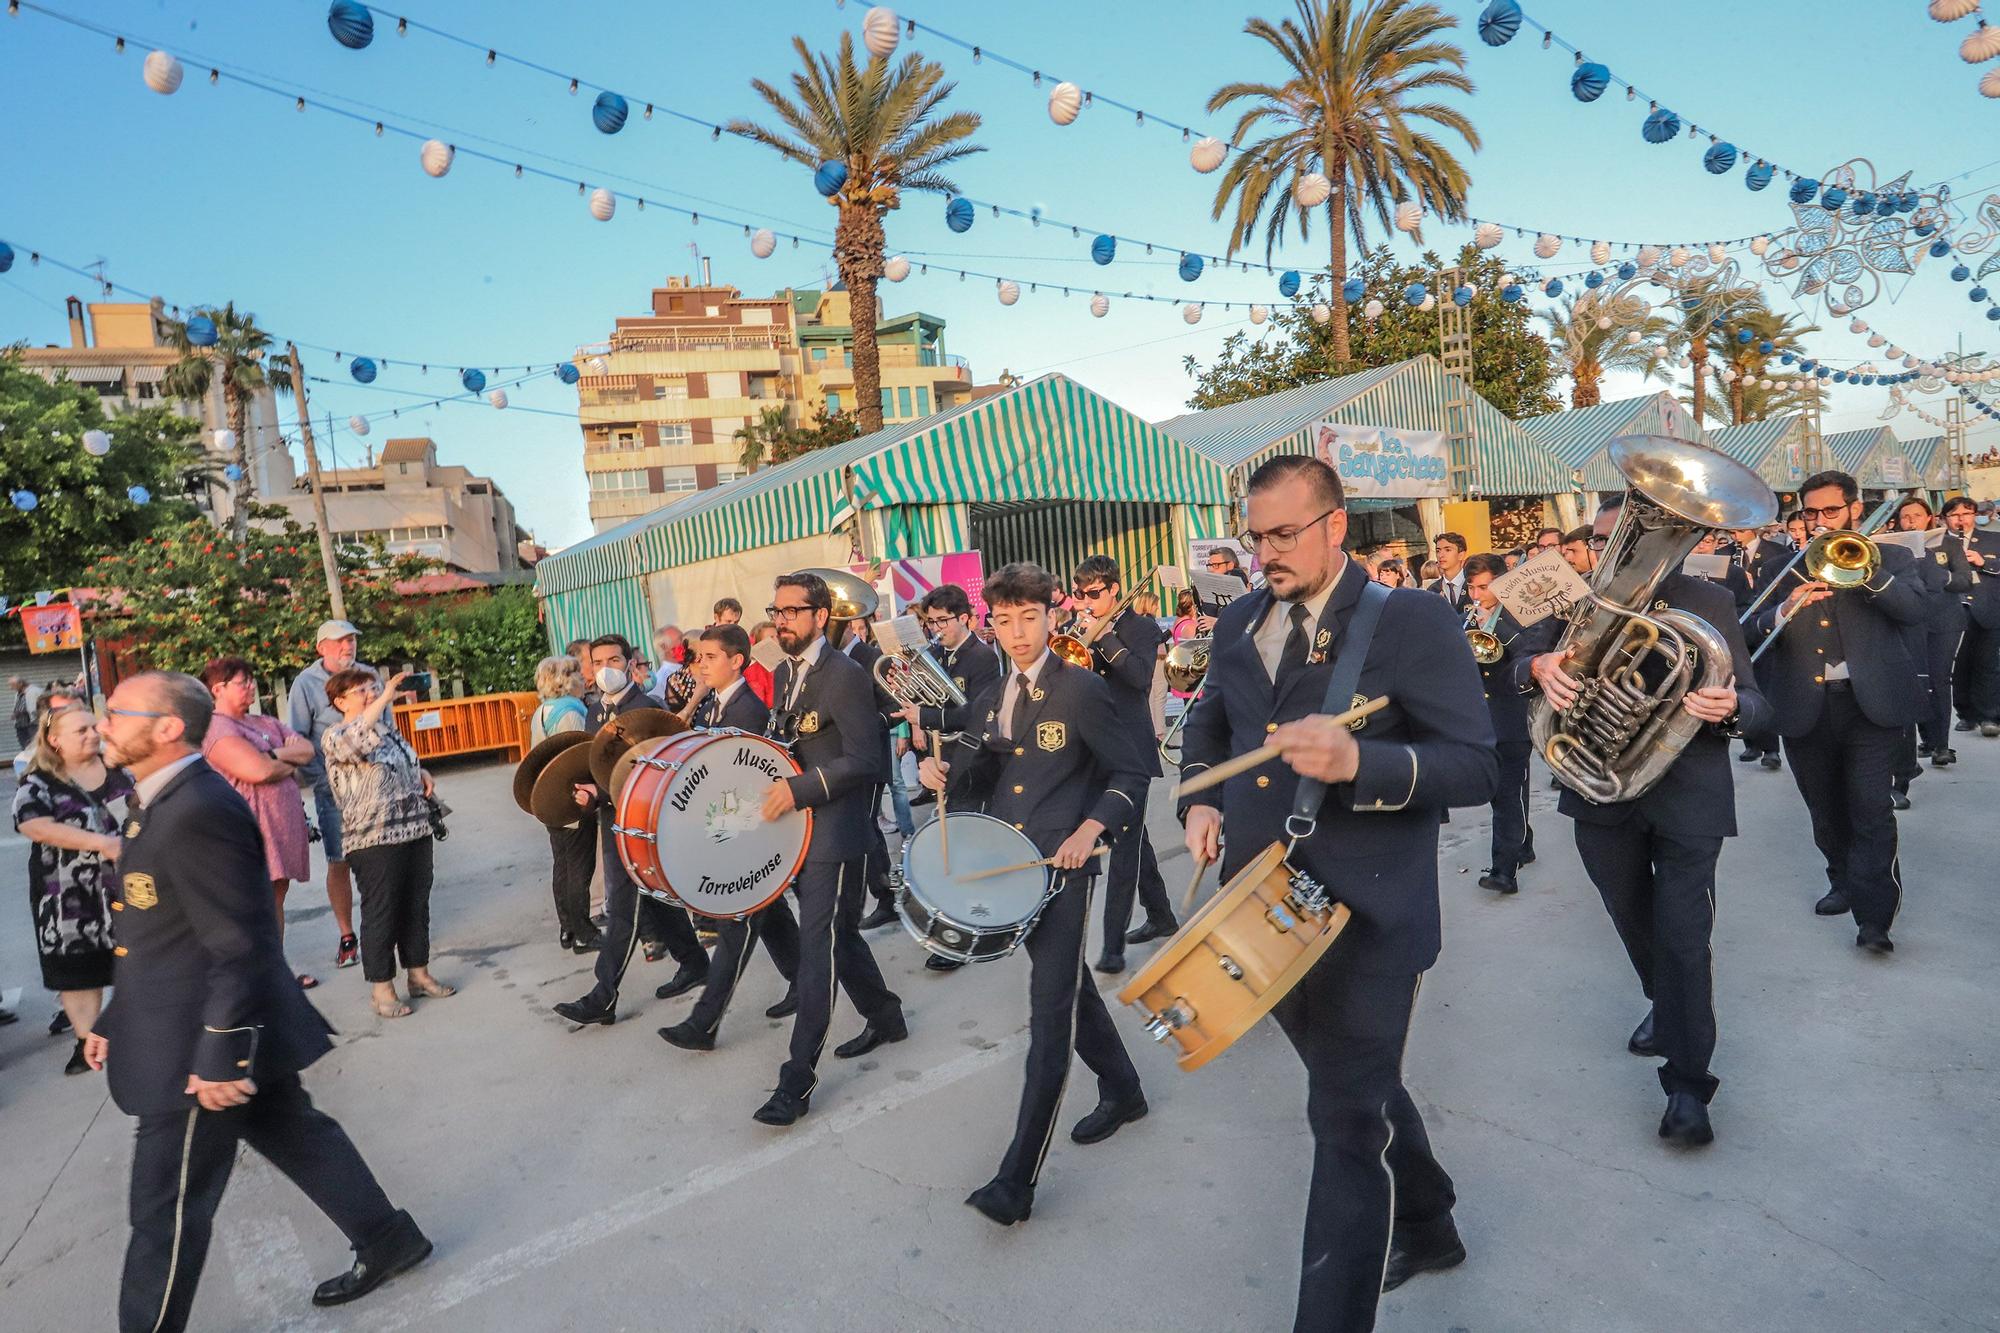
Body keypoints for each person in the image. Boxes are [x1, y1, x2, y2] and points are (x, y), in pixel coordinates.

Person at [1180, 454, 1497, 1330]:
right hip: (1263, 910)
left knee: (1345, 1123)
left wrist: (1367, 761)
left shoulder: (1413, 620)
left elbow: (1477, 763)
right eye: (1256, 536)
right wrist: (1203, 792)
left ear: (1334, 524)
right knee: (1351, 1083)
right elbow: (1210, 715)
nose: (1265, 553)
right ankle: (1430, 1221)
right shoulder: (1243, 614)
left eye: (1284, 534)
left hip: (1370, 916)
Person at [89, 671, 431, 1329]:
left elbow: (237, 939)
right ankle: (388, 1237)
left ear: (165, 727)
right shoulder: (158, 798)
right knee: (293, 1129)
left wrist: (218, 1052)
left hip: (199, 1041)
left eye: (117, 711)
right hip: (199, 1016)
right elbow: (159, 929)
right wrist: (116, 1011)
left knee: (165, 1212)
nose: (104, 722)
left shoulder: (196, 809)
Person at [1521, 496, 1771, 1146]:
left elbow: (1759, 703)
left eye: (1634, 537)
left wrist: (1731, 704)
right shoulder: (1566, 599)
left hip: (1689, 798)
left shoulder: (1708, 601)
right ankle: (1668, 1007)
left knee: (1684, 936)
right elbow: (1507, 658)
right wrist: (1537, 665)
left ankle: (1688, 1085)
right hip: (1598, 792)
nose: (1624, 550)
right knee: (1634, 919)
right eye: (1612, 539)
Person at [918, 561, 1150, 1227]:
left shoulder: (1079, 689)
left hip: (1065, 869)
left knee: (1049, 1017)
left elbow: (1131, 770)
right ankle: (1125, 1088)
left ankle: (1014, 1179)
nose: (1018, 631)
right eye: (1005, 619)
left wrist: (1092, 826)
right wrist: (937, 769)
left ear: (1053, 616)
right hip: (1011, 874)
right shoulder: (989, 695)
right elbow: (969, 785)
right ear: (990, 622)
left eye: (1029, 617)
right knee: (1070, 989)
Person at [750, 571, 908, 1126]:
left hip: (837, 834)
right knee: (837, 934)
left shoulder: (843, 675)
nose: (781, 619)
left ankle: (796, 1081)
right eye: (777, 610)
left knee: (818, 950)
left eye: (793, 611)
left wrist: (796, 788)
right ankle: (885, 1015)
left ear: (821, 616)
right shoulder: (783, 670)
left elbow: (868, 761)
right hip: (802, 828)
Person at [1747, 470, 1927, 954]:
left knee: (1870, 810)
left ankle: (1875, 918)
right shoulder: (1781, 570)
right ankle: (1843, 881)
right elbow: (1749, 635)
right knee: (1825, 810)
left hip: (1871, 707)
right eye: (1811, 513)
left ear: (1854, 510)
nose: (1821, 521)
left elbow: (1913, 611)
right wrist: (1783, 610)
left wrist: (1869, 572)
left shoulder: (1892, 557)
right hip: (1806, 707)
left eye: (1831, 511)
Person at [657, 624, 803, 1049]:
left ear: (737, 661)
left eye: (709, 658)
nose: (699, 665)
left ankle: (703, 1023)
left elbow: (749, 779)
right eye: (698, 657)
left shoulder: (749, 711)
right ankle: (804, 982)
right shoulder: (714, 706)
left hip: (749, 832)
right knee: (770, 915)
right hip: (730, 827)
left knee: (737, 922)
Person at [553, 635, 710, 1026]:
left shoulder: (646, 709)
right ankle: (695, 963)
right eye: (599, 660)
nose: (607, 667)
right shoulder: (593, 711)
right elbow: (596, 765)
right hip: (612, 821)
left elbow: (652, 775)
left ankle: (602, 996)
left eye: (615, 659)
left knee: (622, 910)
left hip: (642, 824)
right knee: (654, 897)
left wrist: (601, 792)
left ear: (630, 663)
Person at [322, 668, 455, 1019]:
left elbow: (399, 763)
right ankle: (382, 989)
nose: (370, 694)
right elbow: (358, 739)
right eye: (360, 691)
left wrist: (421, 772)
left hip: (413, 829)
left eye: (373, 688)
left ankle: (418, 973)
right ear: (340, 702)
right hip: (372, 838)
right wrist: (382, 699)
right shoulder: (336, 735)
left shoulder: (388, 730)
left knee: (416, 904)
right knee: (381, 909)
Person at [1069, 555, 1178, 972]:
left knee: (1123, 846)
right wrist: (1081, 640)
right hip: (1096, 750)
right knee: (1135, 836)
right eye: (1081, 594)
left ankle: (1112, 946)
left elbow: (1138, 678)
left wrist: (1107, 637)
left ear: (1115, 589)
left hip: (1130, 752)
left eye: (1094, 594)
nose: (1088, 601)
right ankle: (1162, 914)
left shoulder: (1142, 627)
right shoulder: (1082, 628)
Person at [12, 703, 130, 1076]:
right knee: (78, 970)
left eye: (93, 727)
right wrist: (103, 843)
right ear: (54, 740)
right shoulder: (39, 781)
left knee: (138, 957)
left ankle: (140, 1029)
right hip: (66, 895)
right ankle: (86, 1039)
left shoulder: (121, 772)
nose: (92, 734)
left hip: (126, 887)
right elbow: (33, 825)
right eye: (81, 730)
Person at [900, 582, 1007, 973]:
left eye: (943, 621)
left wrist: (925, 718)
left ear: (964, 618)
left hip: (973, 762)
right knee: (952, 848)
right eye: (931, 623)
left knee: (960, 850)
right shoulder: (938, 657)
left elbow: (975, 713)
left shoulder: (981, 657)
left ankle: (964, 934)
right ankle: (960, 927)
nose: (936, 629)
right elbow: (930, 702)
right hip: (945, 759)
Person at [199, 658, 318, 988]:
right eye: (242, 682)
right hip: (248, 829)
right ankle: (253, 977)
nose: (250, 686)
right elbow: (258, 772)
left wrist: (272, 755)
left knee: (275, 898)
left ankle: (274, 971)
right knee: (253, 902)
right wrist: (281, 757)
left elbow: (307, 750)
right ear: (217, 689)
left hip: (280, 825)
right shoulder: (217, 728)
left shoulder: (265, 721)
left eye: (252, 680)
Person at [286, 620, 366, 971]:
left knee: (378, 857)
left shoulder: (367, 675)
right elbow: (298, 739)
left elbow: (388, 726)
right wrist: (322, 779)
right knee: (340, 859)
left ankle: (381, 930)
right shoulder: (306, 684)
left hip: (374, 784)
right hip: (333, 789)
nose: (348, 647)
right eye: (340, 642)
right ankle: (347, 935)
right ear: (322, 648)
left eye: (351, 640)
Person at [1461, 554, 1536, 896]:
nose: (1477, 595)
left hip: (1514, 717)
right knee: (1502, 795)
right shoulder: (1465, 615)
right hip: (1481, 721)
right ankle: (1524, 842)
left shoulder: (1524, 613)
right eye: (1472, 588)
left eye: (1484, 587)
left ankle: (1504, 871)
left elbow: (1530, 652)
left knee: (1508, 795)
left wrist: (1496, 624)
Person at [530, 655, 598, 953]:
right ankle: (584, 931)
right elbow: (581, 757)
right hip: (574, 795)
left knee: (562, 863)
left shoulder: (542, 711)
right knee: (579, 866)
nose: (585, 680)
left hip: (549, 795)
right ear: (566, 679)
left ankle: (567, 928)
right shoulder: (572, 712)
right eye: (580, 676)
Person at [1942, 496, 2000, 738]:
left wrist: (1983, 561)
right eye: (1954, 515)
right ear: (1944, 519)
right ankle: (1966, 714)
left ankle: (1990, 714)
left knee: (1988, 663)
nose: (1960, 519)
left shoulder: (1993, 538)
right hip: (1953, 609)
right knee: (1959, 665)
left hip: (1988, 608)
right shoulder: (1940, 541)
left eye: (1966, 514)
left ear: (1974, 515)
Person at [1424, 532, 1470, 610]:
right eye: (1438, 551)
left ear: (1461, 555)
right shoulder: (1433, 590)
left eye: (1448, 550)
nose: (1441, 555)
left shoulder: (1473, 585)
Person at [745, 620, 779, 707]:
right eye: (771, 637)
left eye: (778, 636)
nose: (777, 641)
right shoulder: (752, 674)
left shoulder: (789, 665)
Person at [10, 675, 33, 749]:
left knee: (32, 747)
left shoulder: (30, 692)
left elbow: (32, 707)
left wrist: (18, 713)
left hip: (29, 725)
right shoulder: (18, 694)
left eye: (13, 685)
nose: (11, 688)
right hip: (20, 726)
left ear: (20, 684)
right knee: (25, 747)